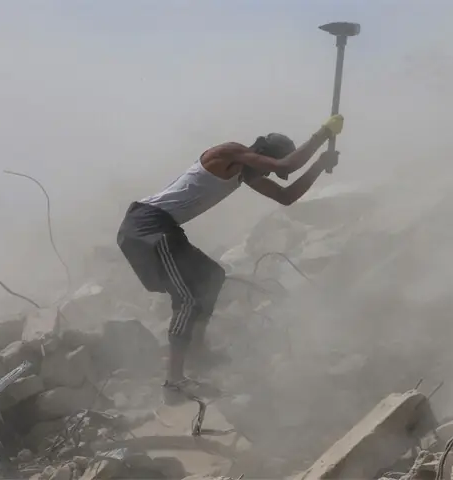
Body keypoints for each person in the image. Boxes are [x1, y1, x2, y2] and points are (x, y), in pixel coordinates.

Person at [117, 114, 344, 403]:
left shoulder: (242, 174)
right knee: (187, 298)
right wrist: (324, 133)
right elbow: (287, 166)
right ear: (261, 154)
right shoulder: (230, 153)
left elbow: (286, 196)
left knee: (213, 276)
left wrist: (319, 166)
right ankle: (173, 382)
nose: (267, 175)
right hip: (146, 226)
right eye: (267, 167)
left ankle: (198, 351)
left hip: (166, 228)